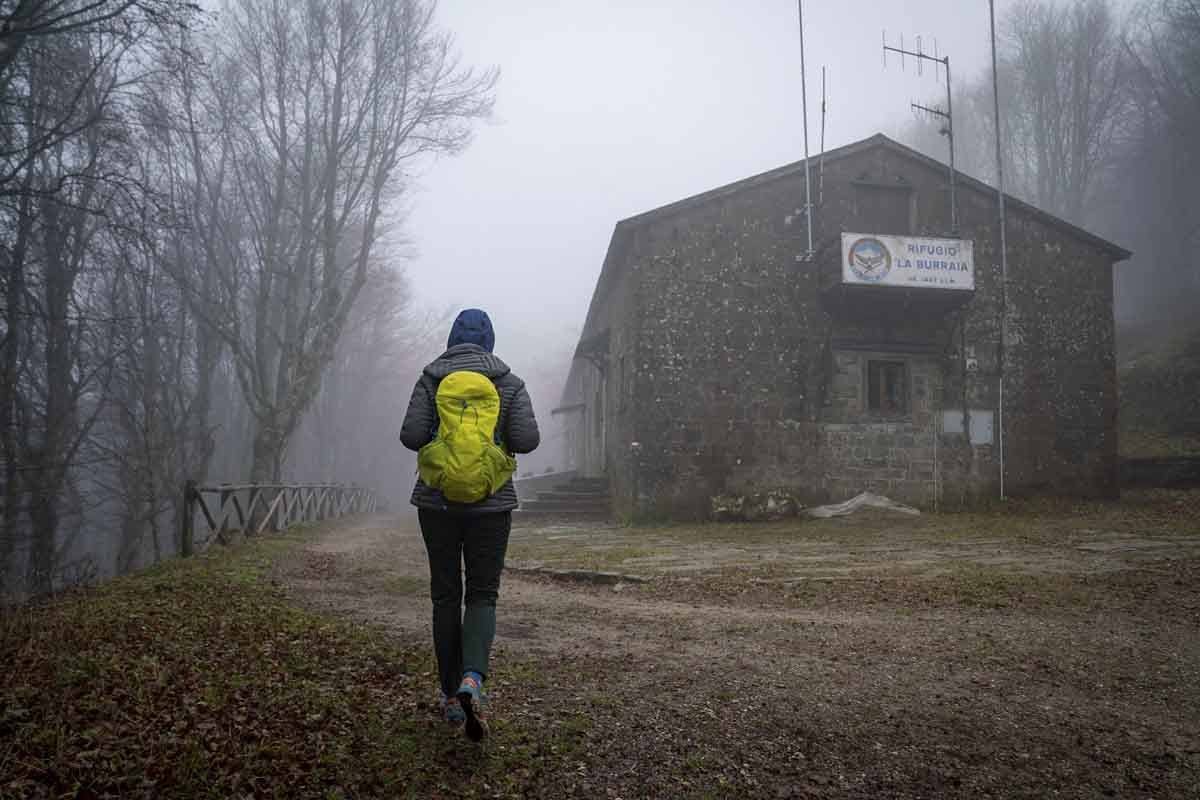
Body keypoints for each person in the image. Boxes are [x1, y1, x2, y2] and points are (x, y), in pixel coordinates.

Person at [399, 309, 539, 742]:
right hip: (492, 506)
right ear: (490, 342)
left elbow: (410, 435)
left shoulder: (430, 379)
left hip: (436, 503)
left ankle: (447, 695)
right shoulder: (509, 383)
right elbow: (527, 441)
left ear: (451, 339)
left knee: (445, 595)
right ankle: (472, 680)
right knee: (482, 594)